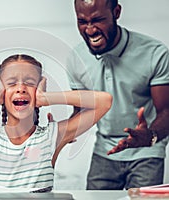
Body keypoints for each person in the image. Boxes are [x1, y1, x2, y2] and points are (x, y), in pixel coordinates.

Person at [0, 54, 112, 188]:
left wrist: (47, 97)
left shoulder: (52, 137)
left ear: (40, 87)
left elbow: (104, 101)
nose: (21, 88)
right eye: (11, 83)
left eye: (30, 82)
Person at [70, 0, 169, 190]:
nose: (90, 30)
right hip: (104, 152)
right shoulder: (76, 58)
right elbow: (80, 113)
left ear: (116, 12)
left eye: (98, 20)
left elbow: (166, 111)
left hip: (146, 151)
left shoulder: (155, 53)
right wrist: (51, 133)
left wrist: (150, 136)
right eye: (82, 22)